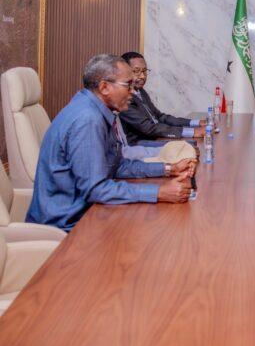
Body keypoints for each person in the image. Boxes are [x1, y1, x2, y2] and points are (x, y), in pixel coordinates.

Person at [26, 54, 196, 232]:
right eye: (127, 85)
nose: (132, 91)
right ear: (104, 87)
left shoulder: (98, 110)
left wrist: (169, 168)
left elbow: (116, 166)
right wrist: (158, 192)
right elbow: (96, 189)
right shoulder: (88, 119)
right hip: (68, 226)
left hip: (87, 212)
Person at [119, 51, 205, 143]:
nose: (143, 76)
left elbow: (160, 117)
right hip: (140, 145)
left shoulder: (140, 90)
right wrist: (192, 132)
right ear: (125, 72)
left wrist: (197, 123)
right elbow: (148, 128)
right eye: (136, 71)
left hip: (156, 138)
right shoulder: (123, 98)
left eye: (144, 71)